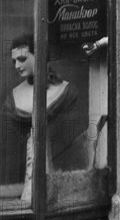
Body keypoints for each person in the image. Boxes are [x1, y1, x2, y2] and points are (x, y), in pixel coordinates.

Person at [2, 33, 77, 203]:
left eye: (22, 58)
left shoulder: (65, 91)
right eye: (14, 61)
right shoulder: (14, 98)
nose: (17, 65)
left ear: (39, 56)